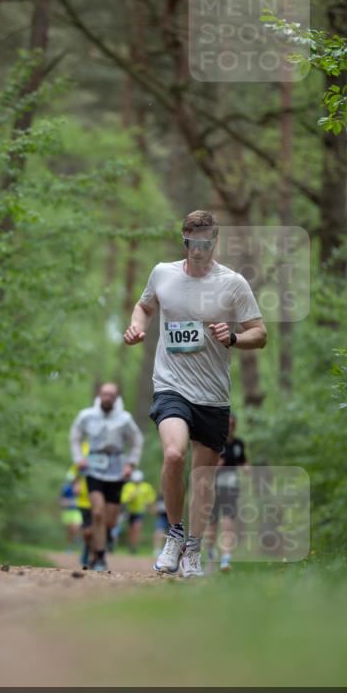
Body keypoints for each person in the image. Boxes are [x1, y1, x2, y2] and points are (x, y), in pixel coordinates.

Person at [124, 210, 266, 578]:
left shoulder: (233, 284)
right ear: (184, 240)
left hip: (213, 395)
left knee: (203, 478)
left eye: (206, 243)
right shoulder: (163, 273)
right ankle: (174, 534)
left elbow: (260, 333)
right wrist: (137, 327)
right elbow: (145, 305)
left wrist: (233, 337)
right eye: (193, 243)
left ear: (214, 242)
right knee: (173, 454)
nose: (199, 250)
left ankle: (194, 549)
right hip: (170, 383)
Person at [69, 382, 144, 572]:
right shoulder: (87, 416)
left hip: (117, 470)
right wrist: (79, 459)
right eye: (104, 394)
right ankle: (100, 557)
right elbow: (75, 436)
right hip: (93, 468)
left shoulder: (125, 418)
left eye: (111, 395)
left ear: (116, 397)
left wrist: (130, 464)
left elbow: (137, 441)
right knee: (97, 512)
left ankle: (101, 542)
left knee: (110, 520)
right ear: (99, 395)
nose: (107, 397)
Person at [204, 413, 249, 572]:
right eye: (228, 424)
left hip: (231, 488)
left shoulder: (239, 444)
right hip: (214, 488)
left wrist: (247, 468)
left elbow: (243, 461)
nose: (230, 427)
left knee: (228, 523)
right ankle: (210, 555)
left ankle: (226, 558)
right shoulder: (216, 442)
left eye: (233, 425)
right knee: (212, 524)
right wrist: (217, 466)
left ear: (235, 426)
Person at [120, 470, 156, 553]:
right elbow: (123, 499)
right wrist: (130, 497)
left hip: (140, 511)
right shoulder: (127, 487)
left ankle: (134, 547)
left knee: (137, 528)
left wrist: (149, 503)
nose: (136, 483)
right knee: (130, 530)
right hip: (129, 511)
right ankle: (131, 546)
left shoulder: (147, 487)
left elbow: (151, 498)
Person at [59, 472, 83, 551]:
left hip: (77, 511)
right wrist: (68, 502)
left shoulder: (81, 487)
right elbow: (62, 500)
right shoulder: (66, 488)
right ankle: (69, 547)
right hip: (67, 511)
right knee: (69, 530)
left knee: (76, 526)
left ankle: (77, 538)